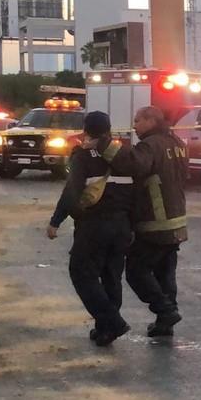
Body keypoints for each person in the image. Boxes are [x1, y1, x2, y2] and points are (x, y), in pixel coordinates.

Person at [46, 111, 134, 347]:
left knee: (81, 272)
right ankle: (105, 330)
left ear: (86, 130)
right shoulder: (126, 155)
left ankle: (112, 322)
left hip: (94, 225)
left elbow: (72, 192)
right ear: (109, 129)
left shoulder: (83, 156)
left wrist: (56, 221)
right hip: (123, 225)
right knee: (111, 276)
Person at [109, 106, 189, 338]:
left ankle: (165, 310)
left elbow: (133, 165)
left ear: (151, 121)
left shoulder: (150, 146)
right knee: (165, 273)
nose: (134, 125)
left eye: (137, 120)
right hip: (176, 221)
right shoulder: (176, 143)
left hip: (155, 221)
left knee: (136, 272)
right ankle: (166, 322)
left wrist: (109, 149)